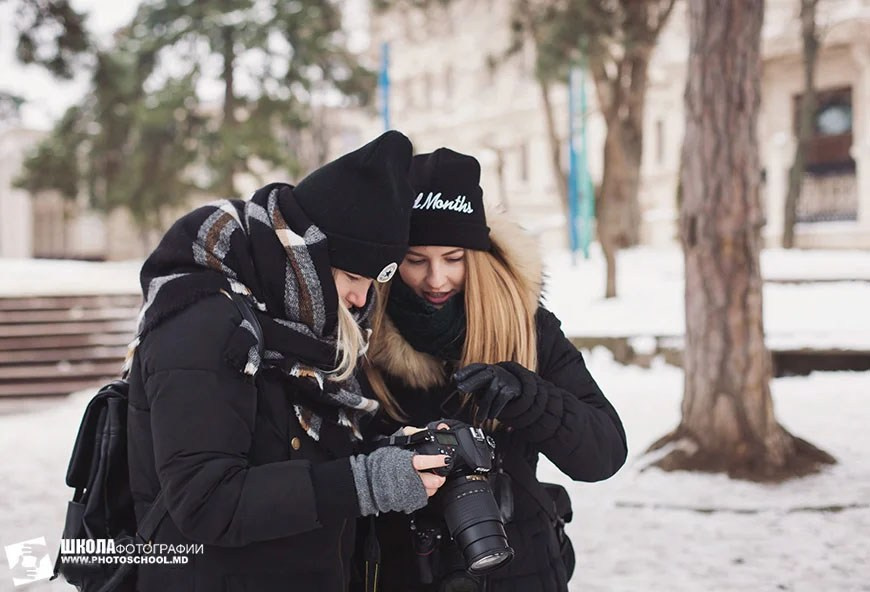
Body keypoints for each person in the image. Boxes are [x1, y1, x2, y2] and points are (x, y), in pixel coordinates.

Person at [126, 131, 448, 592]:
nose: (362, 297)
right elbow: (205, 500)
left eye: (374, 281)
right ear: (310, 255)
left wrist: (392, 452)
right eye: (354, 276)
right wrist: (366, 483)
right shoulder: (201, 321)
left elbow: (298, 449)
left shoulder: (304, 323)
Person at [361, 148, 628, 592]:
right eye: (416, 260)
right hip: (400, 566)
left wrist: (529, 398)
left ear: (479, 255)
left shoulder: (525, 326)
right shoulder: (363, 332)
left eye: (453, 258)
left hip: (519, 562)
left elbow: (603, 454)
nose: (436, 279)